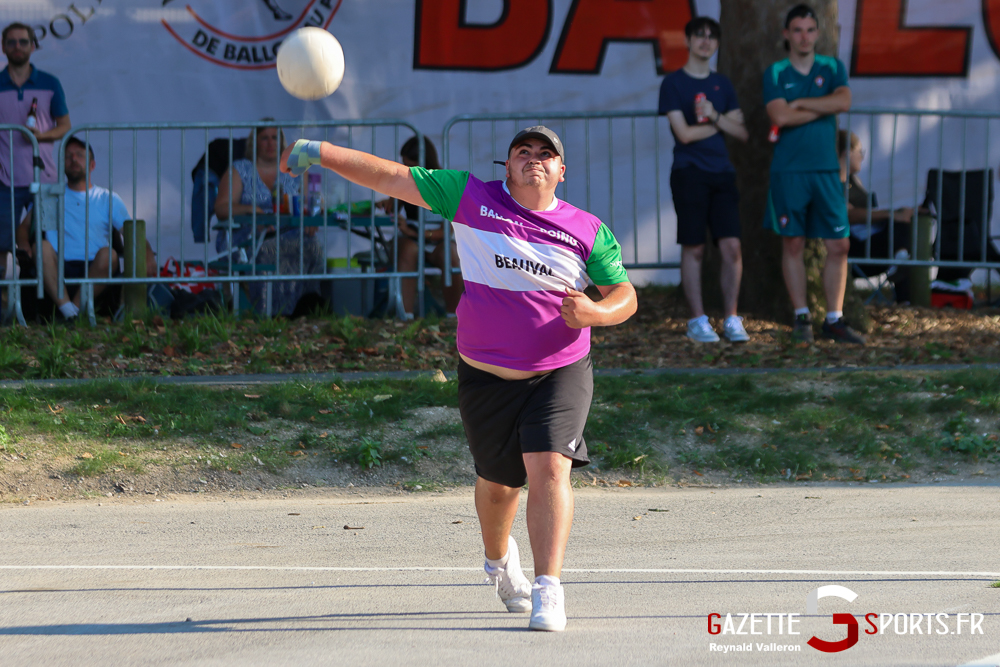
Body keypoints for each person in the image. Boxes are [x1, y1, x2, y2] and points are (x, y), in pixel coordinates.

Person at [281, 126, 636, 631]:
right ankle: (498, 561)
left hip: (559, 371)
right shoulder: (470, 197)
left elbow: (624, 295)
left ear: (562, 171)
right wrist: (320, 151)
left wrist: (596, 313)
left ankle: (549, 589)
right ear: (507, 166)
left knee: (550, 467)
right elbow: (391, 177)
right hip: (485, 375)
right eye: (523, 152)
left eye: (546, 154)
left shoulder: (587, 229)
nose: (534, 159)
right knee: (498, 485)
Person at [763, 4, 864, 344]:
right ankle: (801, 316)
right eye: (798, 30)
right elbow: (780, 116)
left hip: (826, 170)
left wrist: (801, 104)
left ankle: (834, 318)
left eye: (809, 30)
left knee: (839, 244)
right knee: (793, 243)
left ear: (818, 34)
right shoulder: (776, 72)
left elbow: (844, 102)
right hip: (789, 171)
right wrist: (822, 104)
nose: (804, 37)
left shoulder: (832, 67)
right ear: (787, 34)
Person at [659, 16, 750, 343]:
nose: (705, 40)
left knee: (731, 246)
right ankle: (697, 320)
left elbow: (742, 132)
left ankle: (731, 318)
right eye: (699, 35)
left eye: (712, 36)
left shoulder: (722, 84)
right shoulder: (673, 83)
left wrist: (715, 117)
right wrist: (719, 122)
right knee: (694, 247)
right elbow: (683, 134)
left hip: (722, 173)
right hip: (689, 173)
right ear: (688, 41)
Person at [14, 137, 155, 322]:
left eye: (80, 155)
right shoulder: (50, 195)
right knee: (42, 247)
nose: (73, 159)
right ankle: (71, 312)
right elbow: (24, 228)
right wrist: (24, 245)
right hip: (57, 266)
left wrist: (148, 253)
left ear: (92, 165)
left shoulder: (107, 198)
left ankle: (71, 311)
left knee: (110, 255)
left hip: (96, 267)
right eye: (68, 156)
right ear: (62, 165)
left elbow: (131, 233)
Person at [215, 122, 324, 317]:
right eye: (264, 138)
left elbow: (312, 203)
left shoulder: (296, 170)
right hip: (248, 236)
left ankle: (307, 310)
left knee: (313, 246)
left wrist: (312, 217)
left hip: (289, 232)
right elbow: (222, 208)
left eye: (274, 138)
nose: (270, 143)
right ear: (254, 142)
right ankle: (267, 313)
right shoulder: (239, 170)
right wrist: (252, 210)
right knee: (267, 251)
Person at [0, 22, 70, 280]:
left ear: (33, 45)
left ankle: (45, 300)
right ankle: (5, 299)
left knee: (48, 242)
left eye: (23, 41)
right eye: (11, 42)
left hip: (45, 180)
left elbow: (65, 126)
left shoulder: (50, 83)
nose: (17, 46)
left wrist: (41, 136)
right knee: (1, 245)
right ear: (3, 47)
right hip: (4, 181)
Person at [380, 136, 464, 317]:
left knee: (451, 255)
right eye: (404, 165)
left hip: (434, 239)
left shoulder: (444, 184)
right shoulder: (405, 181)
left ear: (425, 164)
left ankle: (455, 317)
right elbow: (393, 207)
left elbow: (447, 230)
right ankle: (406, 317)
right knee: (408, 250)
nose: (408, 171)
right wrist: (388, 203)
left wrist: (417, 233)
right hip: (412, 238)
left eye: (411, 167)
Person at [839, 130, 921, 303]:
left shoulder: (853, 180)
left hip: (872, 241)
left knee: (904, 223)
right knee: (899, 223)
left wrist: (900, 213)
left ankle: (901, 268)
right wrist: (893, 214)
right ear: (847, 153)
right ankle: (900, 264)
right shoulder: (836, 182)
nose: (862, 157)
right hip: (857, 248)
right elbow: (848, 215)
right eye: (860, 152)